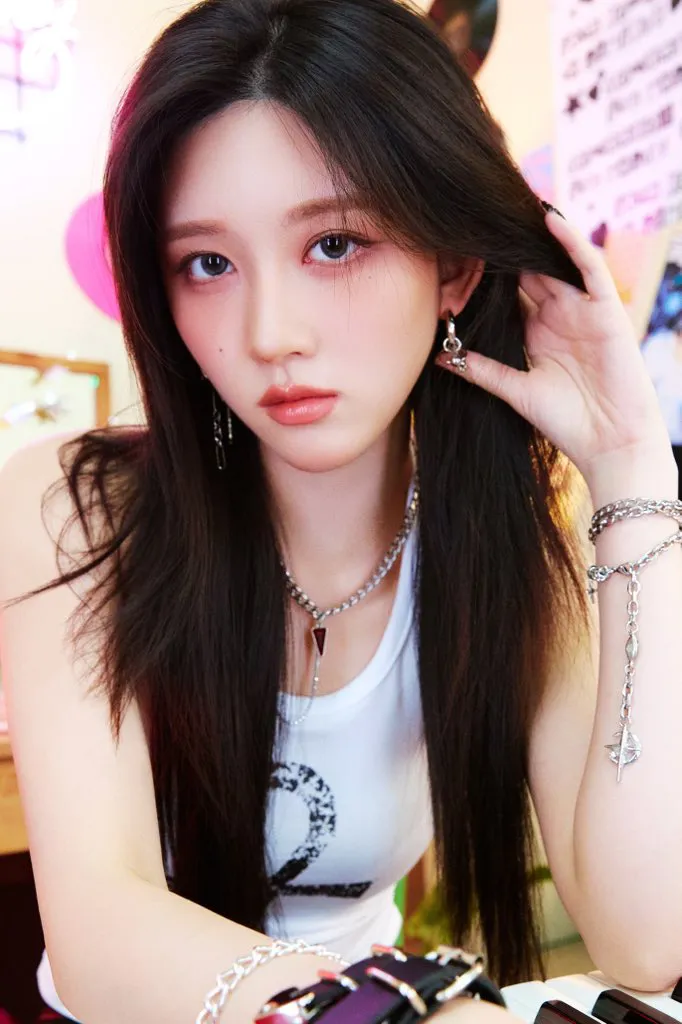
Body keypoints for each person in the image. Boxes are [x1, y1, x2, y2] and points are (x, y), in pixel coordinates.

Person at [1, 0, 681, 1021]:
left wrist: (631, 472)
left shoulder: (508, 524)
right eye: (208, 264)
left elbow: (646, 935)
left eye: (333, 243)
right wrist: (406, 1013)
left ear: (454, 268)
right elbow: (100, 930)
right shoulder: (73, 507)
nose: (270, 332)